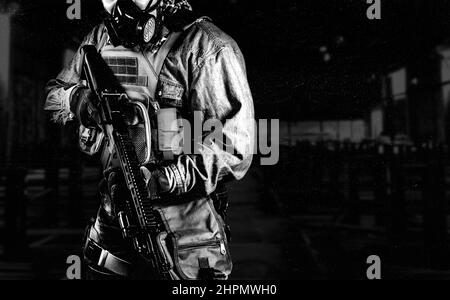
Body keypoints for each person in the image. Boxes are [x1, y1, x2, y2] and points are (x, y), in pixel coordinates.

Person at [44, 0, 255, 280]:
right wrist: (81, 100)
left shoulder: (207, 46)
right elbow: (54, 95)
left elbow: (235, 146)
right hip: (113, 221)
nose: (118, 6)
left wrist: (165, 180)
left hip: (183, 231)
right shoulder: (99, 39)